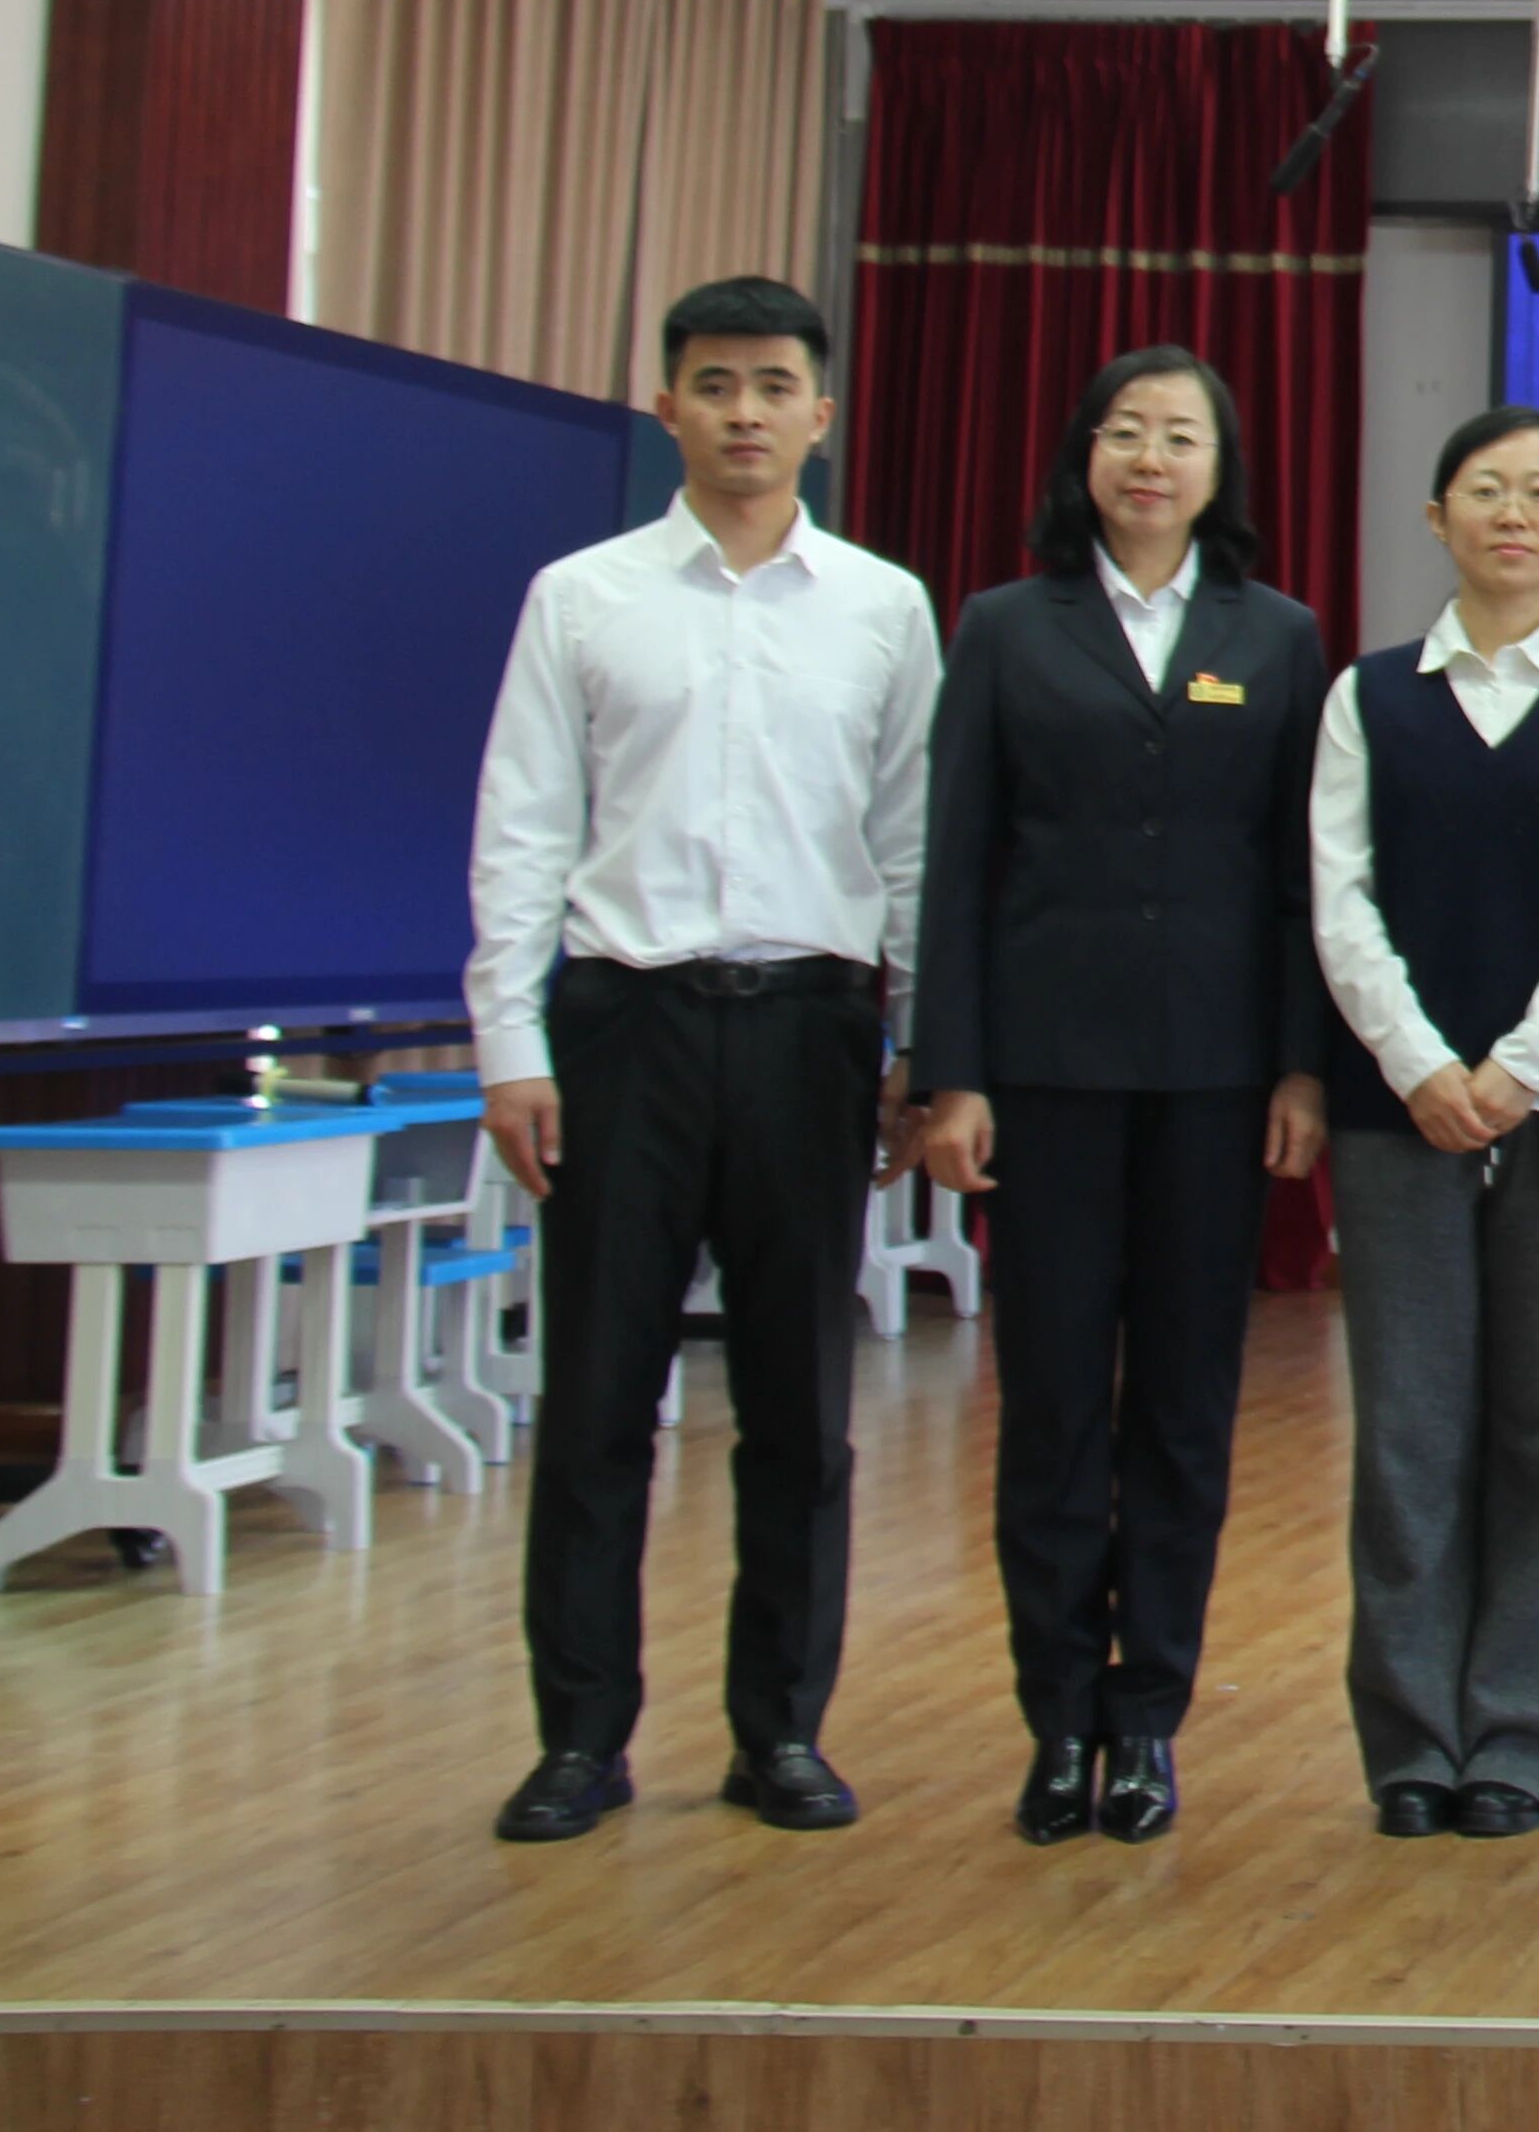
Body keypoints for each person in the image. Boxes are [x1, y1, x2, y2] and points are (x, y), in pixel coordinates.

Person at [467, 277, 939, 1846]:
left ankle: (779, 1732)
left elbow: (911, 841)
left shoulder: (883, 607)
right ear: (666, 405)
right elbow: (523, 829)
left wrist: (921, 1042)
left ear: (821, 413)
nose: (746, 412)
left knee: (802, 1407)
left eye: (774, 385)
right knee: (599, 1398)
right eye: (716, 384)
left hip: (813, 1029)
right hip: (626, 1025)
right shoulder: (580, 597)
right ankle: (579, 1740)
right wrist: (510, 1039)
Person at [912, 346, 1332, 1849]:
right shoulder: (1005, 627)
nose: (1151, 459)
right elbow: (958, 861)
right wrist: (949, 1073)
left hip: (1217, 1079)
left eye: (1182, 437)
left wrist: (1302, 1061)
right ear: (1085, 455)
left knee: (1183, 1405)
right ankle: (1056, 1719)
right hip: (1044, 1077)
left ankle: (1147, 1714)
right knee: (1048, 1406)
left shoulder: (1277, 636)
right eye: (1127, 432)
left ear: (1221, 470)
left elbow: (1301, 872)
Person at [1309, 406, 1539, 1841]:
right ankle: (1411, 1743)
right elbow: (1339, 898)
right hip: (1395, 1112)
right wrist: (1418, 1066)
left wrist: (1518, 1068)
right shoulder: (1369, 697)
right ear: (1437, 517)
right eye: (1483, 488)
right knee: (1408, 1431)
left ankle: (1522, 1738)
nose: (1511, 513)